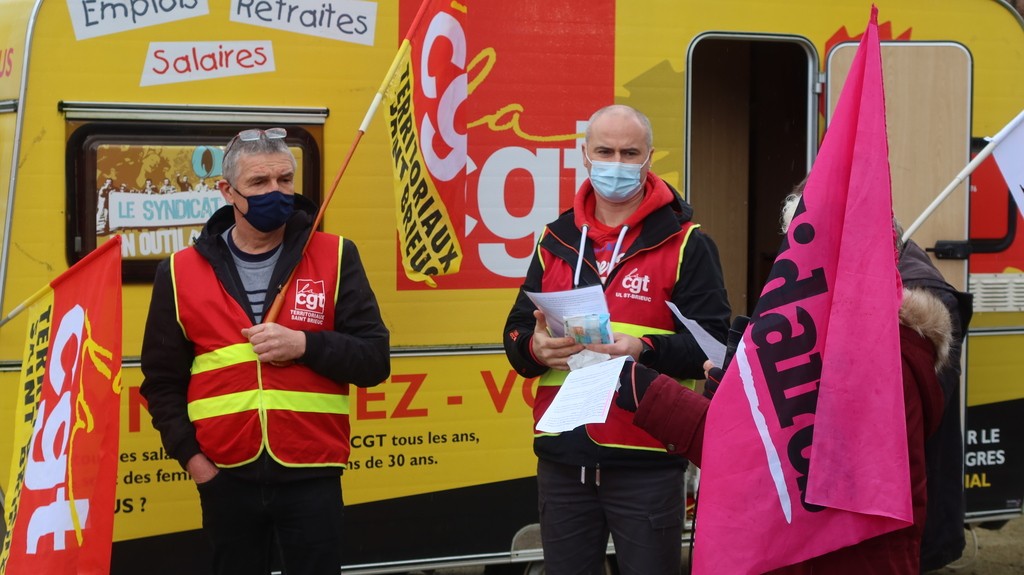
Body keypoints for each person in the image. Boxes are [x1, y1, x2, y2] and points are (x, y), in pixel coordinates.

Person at [619, 192, 955, 574]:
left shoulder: (871, 354)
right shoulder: (865, 338)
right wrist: (731, 390)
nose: (791, 265)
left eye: (805, 244)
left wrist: (651, 393)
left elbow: (761, 463)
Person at [140, 127, 390, 575]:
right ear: (227, 191)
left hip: (312, 473)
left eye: (285, 180)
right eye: (259, 183)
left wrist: (306, 344)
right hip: (225, 477)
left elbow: (374, 360)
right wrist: (197, 465)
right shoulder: (178, 272)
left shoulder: (335, 255)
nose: (276, 192)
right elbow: (161, 382)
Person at [502, 104, 731, 575]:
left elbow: (713, 348)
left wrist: (642, 348)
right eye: (605, 151)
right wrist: (534, 348)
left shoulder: (687, 242)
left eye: (630, 153)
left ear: (649, 158)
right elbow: (517, 332)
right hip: (565, 459)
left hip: (647, 456)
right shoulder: (556, 238)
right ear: (585, 155)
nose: (617, 163)